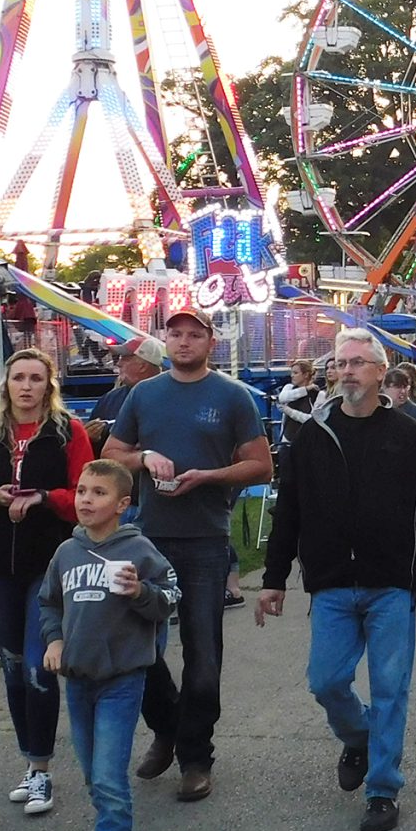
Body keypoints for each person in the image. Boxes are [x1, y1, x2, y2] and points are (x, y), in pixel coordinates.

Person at [257, 329, 416, 831]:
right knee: (326, 681)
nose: (346, 371)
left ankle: (382, 789)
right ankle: (361, 736)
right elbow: (289, 510)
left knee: (391, 686)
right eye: (339, 363)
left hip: (391, 581)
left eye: (356, 363)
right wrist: (274, 578)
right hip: (330, 582)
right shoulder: (314, 435)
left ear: (379, 373)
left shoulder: (409, 434)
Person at [104, 309, 272, 803]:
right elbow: (113, 451)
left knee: (203, 655)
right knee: (139, 648)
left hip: (204, 540)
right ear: (164, 341)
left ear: (210, 342)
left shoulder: (231, 396)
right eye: (175, 334)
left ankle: (196, 757)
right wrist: (142, 459)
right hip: (149, 538)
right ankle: (167, 726)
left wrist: (208, 476)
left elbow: (260, 465)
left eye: (193, 334)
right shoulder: (144, 394)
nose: (183, 341)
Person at [0, 348, 96, 816]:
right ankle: (29, 763)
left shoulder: (67, 432)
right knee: (12, 666)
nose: (27, 387)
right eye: (19, 378)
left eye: (36, 378)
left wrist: (46, 497)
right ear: (6, 385)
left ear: (49, 385)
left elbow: (84, 498)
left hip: (48, 565)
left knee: (38, 665)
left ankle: (42, 770)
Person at [39, 460, 181, 831]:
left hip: (122, 680)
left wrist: (141, 592)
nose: (85, 499)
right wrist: (55, 640)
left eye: (98, 493)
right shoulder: (66, 552)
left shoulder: (138, 549)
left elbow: (169, 597)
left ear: (122, 504)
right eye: (81, 490)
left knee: (108, 779)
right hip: (78, 683)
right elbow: (49, 604)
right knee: (92, 779)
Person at [90, 338, 165, 426]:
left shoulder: (170, 398)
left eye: (125, 358)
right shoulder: (110, 399)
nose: (118, 363)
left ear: (143, 366)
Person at [381, 362, 416, 438]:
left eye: (405, 387)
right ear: (384, 387)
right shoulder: (376, 409)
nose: (403, 391)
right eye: (397, 386)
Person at [277, 358, 318, 445]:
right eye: (291, 373)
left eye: (295, 373)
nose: (292, 376)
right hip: (287, 441)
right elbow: (282, 398)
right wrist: (305, 389)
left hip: (307, 442)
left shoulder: (316, 394)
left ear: (306, 375)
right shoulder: (289, 387)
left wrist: (289, 411)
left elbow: (312, 420)